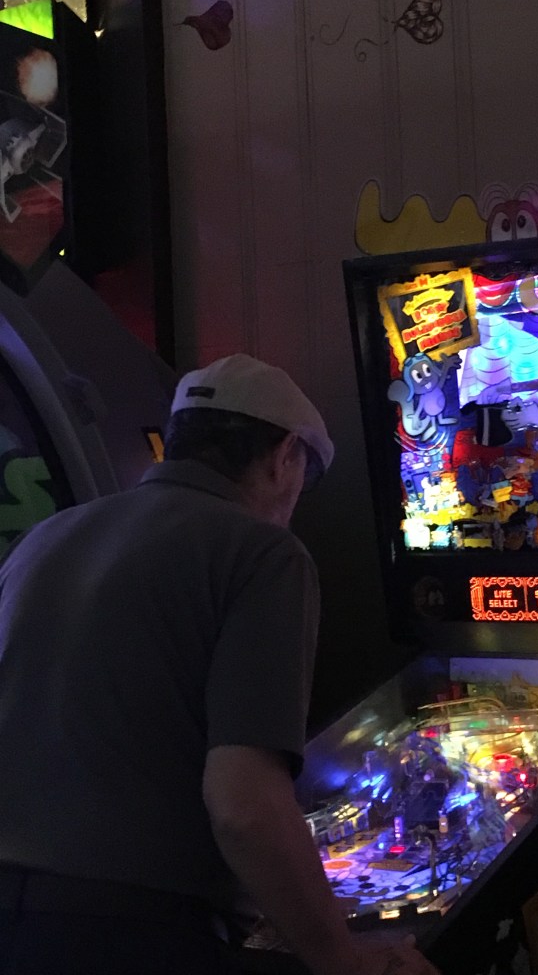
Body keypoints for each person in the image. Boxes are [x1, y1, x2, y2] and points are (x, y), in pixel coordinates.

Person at [0, 354, 439, 975]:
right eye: (304, 479)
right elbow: (244, 805)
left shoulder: (45, 539)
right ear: (285, 456)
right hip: (126, 932)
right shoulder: (261, 551)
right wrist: (345, 962)